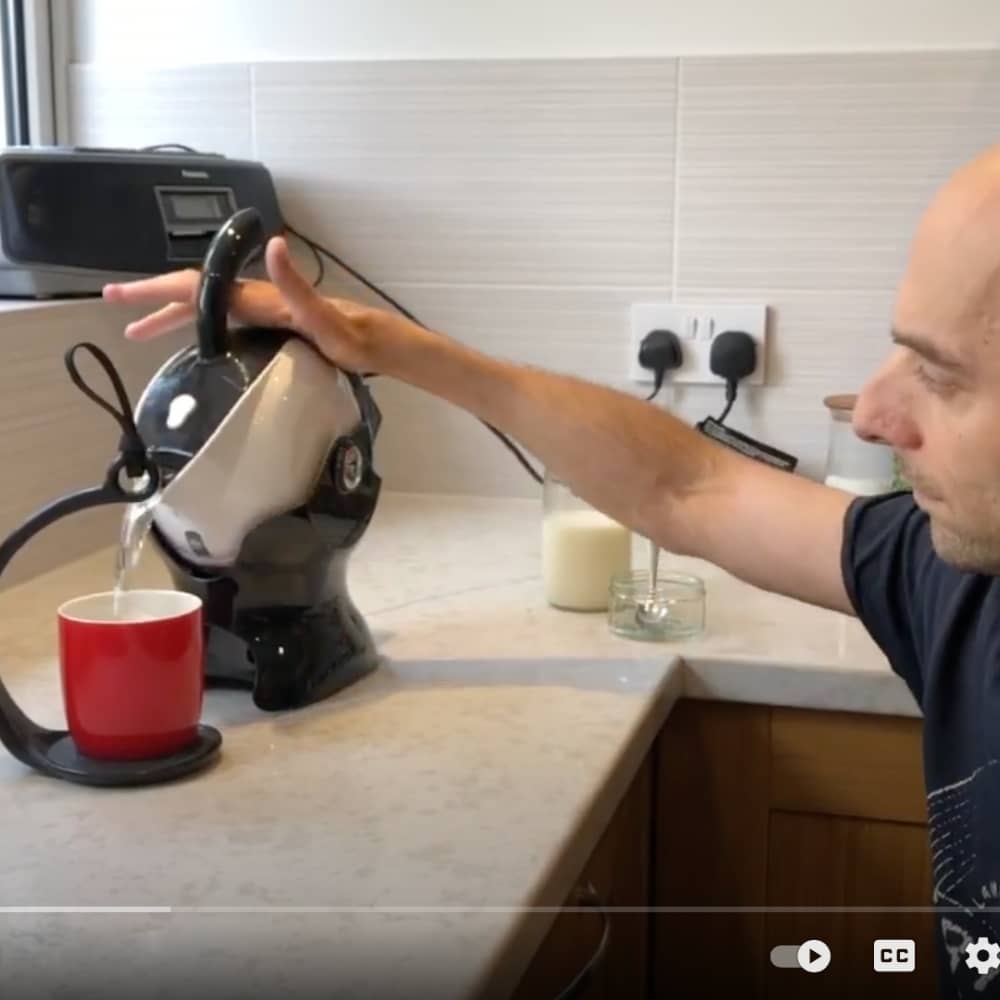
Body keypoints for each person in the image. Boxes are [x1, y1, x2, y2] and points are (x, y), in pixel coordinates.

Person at [104, 143, 1000, 996]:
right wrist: (384, 344)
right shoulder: (955, 586)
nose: (875, 413)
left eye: (942, 375)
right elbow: (687, 485)